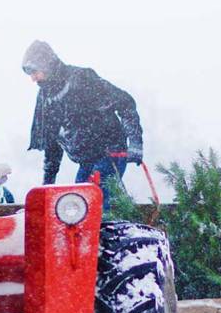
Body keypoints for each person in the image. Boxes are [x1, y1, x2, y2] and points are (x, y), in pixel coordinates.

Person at [22, 40, 145, 196]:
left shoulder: (82, 79)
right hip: (86, 160)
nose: (33, 78)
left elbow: (125, 103)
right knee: (79, 202)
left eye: (34, 72)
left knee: (94, 202)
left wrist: (135, 142)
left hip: (110, 152)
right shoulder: (46, 98)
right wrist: (47, 184)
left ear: (47, 65)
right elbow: (52, 142)